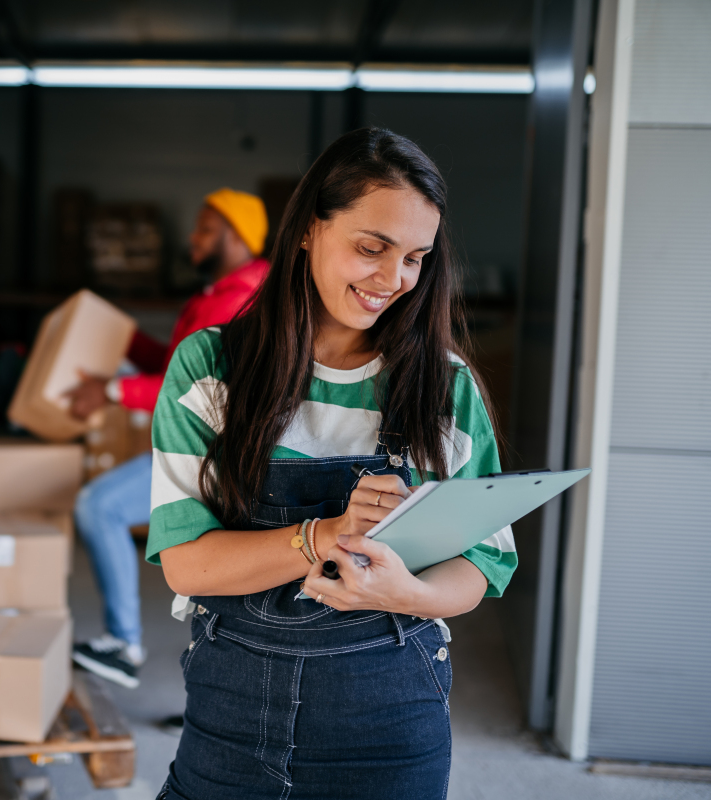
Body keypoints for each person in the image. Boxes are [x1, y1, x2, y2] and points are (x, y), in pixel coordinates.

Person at [147, 128, 517, 799]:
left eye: (414, 259)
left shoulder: (444, 385)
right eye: (371, 248)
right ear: (309, 230)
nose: (392, 279)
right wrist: (325, 535)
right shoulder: (209, 369)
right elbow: (187, 562)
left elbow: (484, 558)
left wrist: (409, 595)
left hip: (390, 723)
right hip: (232, 722)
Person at [66, 189, 270, 688]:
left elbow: (192, 390)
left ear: (235, 236)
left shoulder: (240, 301)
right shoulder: (219, 294)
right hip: (204, 450)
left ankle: (124, 643)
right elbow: (176, 364)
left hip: (217, 457)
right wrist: (123, 337)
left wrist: (111, 389)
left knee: (99, 506)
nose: (192, 237)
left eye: (204, 227)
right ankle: (209, 682)